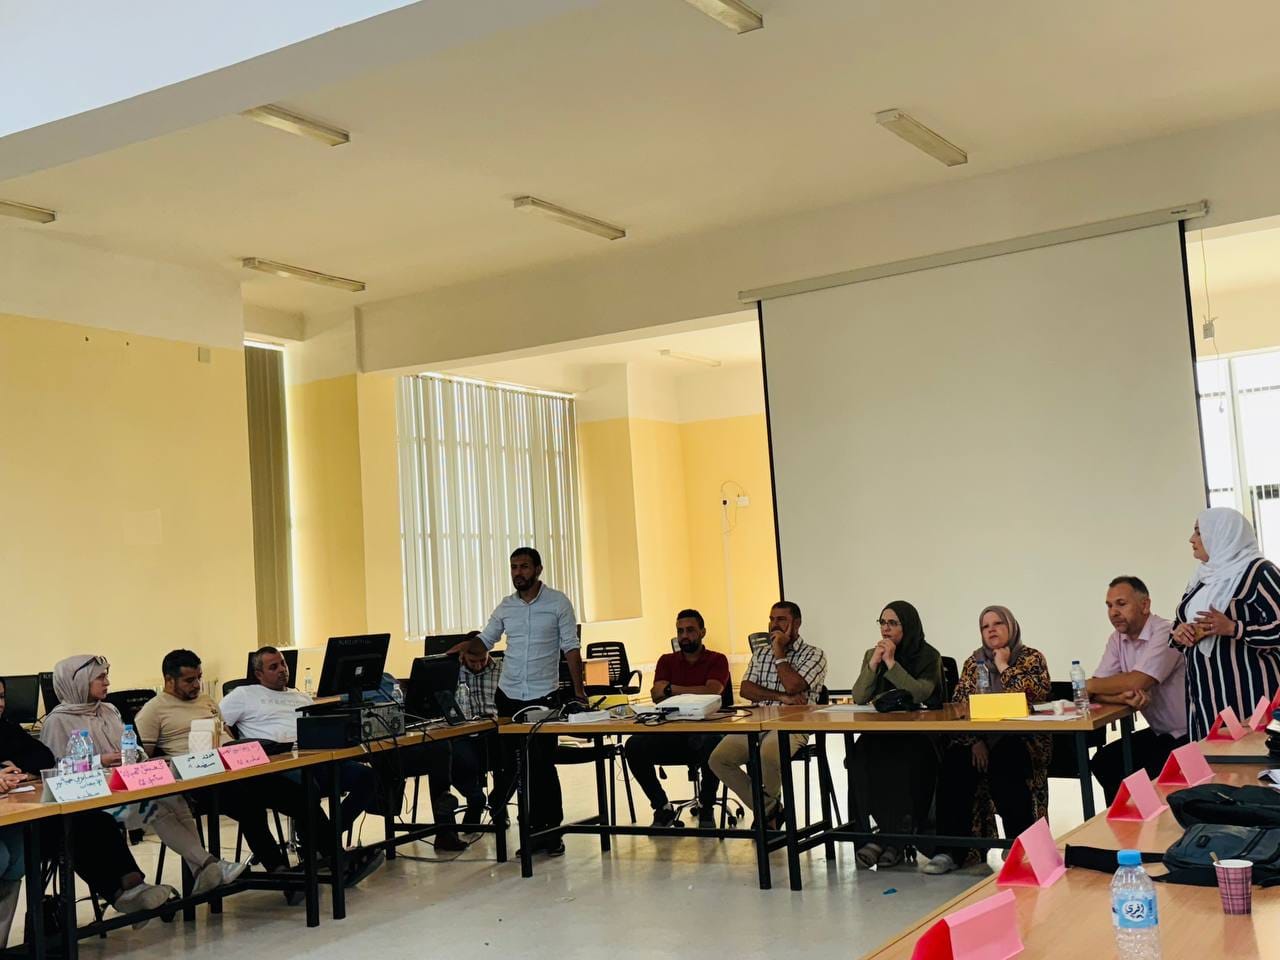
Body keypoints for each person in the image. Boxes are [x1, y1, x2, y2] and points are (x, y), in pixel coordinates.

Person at [133, 649, 363, 899]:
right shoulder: (153, 711)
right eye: (189, 680)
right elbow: (142, 760)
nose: (197, 684)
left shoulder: (207, 701)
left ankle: (333, 858)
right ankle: (281, 872)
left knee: (301, 795)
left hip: (236, 769)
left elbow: (227, 735)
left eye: (199, 677)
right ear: (169, 680)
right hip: (201, 781)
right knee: (249, 805)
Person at [40, 655, 248, 896]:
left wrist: (134, 756)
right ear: (79, 682)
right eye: (100, 677)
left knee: (175, 799)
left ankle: (203, 868)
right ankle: (207, 864)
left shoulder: (109, 710)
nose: (107, 682)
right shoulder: (57, 721)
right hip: (95, 803)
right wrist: (99, 761)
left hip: (124, 789)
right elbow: (55, 771)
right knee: (154, 807)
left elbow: (134, 746)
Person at [1, 676, 174, 934]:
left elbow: (42, 757)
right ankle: (122, 893)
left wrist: (11, 766)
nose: (0, 704)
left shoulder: (6, 728)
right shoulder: (58, 719)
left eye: (2, 697)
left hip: (24, 815)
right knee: (56, 836)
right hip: (13, 824)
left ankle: (129, 888)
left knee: (87, 819)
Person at [923, 606, 1051, 875]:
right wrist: (974, 741)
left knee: (1005, 760)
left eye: (998, 623)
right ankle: (950, 850)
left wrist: (1004, 666)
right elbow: (960, 705)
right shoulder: (974, 663)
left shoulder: (1030, 658)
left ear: (1011, 626)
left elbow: (1036, 694)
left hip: (1021, 738)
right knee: (954, 763)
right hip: (980, 738)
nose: (991, 629)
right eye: (985, 626)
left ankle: (1018, 844)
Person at [219, 648, 385, 848]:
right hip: (279, 764)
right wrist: (239, 746)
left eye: (283, 664)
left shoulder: (301, 696)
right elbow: (218, 723)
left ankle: (329, 835)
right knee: (308, 788)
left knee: (367, 777)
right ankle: (325, 847)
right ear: (259, 674)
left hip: (314, 757)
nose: (282, 669)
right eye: (273, 667)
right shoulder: (244, 694)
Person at [479, 546, 585, 857]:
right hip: (508, 695)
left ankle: (548, 832)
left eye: (524, 567)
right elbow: (485, 640)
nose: (518, 573)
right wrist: (462, 648)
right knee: (510, 766)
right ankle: (521, 826)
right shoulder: (506, 606)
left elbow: (571, 648)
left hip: (543, 695)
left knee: (541, 765)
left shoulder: (558, 603)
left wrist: (579, 691)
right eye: (514, 567)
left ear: (538, 570)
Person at [708, 601, 827, 826]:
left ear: (797, 623)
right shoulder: (761, 653)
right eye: (772, 619)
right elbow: (746, 689)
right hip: (757, 721)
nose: (774, 624)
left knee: (769, 752)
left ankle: (767, 819)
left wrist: (779, 653)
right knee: (719, 759)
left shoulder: (814, 654)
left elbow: (793, 685)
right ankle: (770, 810)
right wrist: (782, 697)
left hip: (794, 725)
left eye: (781, 620)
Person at [1170, 507, 1280, 740]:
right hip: (1206, 700)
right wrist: (1180, 632)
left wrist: (1233, 628)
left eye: (1199, 532)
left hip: (1251, 699)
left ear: (1222, 533)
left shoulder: (1259, 572)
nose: (1192, 539)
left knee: (1252, 759)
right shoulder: (1202, 578)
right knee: (1213, 760)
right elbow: (1179, 621)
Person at [849, 601, 942, 868]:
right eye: (882, 622)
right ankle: (874, 837)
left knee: (900, 762)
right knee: (858, 757)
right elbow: (859, 696)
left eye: (893, 623)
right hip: (882, 732)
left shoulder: (928, 655)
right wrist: (874, 664)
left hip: (918, 734)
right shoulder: (872, 654)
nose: (885, 629)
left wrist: (891, 663)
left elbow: (920, 693)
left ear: (908, 626)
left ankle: (894, 840)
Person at [624, 609, 731, 829]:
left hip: (706, 730)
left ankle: (707, 805)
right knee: (634, 745)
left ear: (702, 632)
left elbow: (712, 691)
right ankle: (662, 807)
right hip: (671, 732)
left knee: (713, 743)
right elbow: (656, 695)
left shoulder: (717, 659)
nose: (684, 636)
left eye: (690, 630)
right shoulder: (666, 661)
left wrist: (671, 689)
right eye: (680, 631)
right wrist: (692, 691)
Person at [1086, 577, 1188, 803]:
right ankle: (1128, 820)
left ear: (1145, 605)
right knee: (1105, 762)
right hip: (1161, 733)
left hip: (1191, 733)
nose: (1113, 612)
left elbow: (1138, 681)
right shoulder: (1117, 639)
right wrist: (1121, 696)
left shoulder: (1166, 632)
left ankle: (1148, 815)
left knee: (1143, 771)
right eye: (1109, 606)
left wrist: (1089, 685)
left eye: (1121, 604)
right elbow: (1098, 686)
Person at [451, 633, 502, 830]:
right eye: (473, 661)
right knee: (452, 757)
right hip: (462, 732)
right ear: (463, 654)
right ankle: (475, 799)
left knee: (517, 757)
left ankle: (499, 802)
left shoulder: (502, 669)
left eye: (483, 659)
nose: (479, 665)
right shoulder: (452, 671)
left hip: (494, 730)